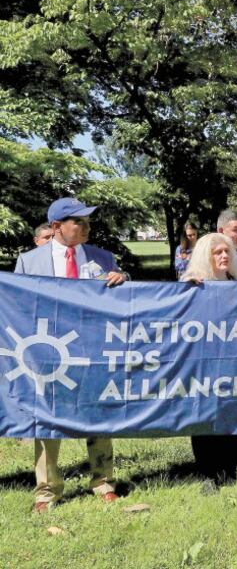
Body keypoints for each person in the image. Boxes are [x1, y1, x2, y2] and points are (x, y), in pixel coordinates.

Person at [14, 197, 128, 513]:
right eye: (78, 221)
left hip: (93, 349)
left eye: (87, 220)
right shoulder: (29, 262)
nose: (86, 226)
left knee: (98, 415)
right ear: (56, 226)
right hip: (48, 353)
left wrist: (122, 279)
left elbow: (123, 299)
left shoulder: (103, 258)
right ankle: (47, 491)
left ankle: (103, 482)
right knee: (46, 420)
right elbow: (19, 307)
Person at [180, 233, 237, 488]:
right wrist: (185, 290)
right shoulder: (193, 282)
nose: (224, 256)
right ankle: (209, 472)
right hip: (204, 362)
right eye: (217, 252)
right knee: (205, 414)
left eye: (227, 251)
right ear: (205, 256)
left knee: (235, 409)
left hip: (234, 362)